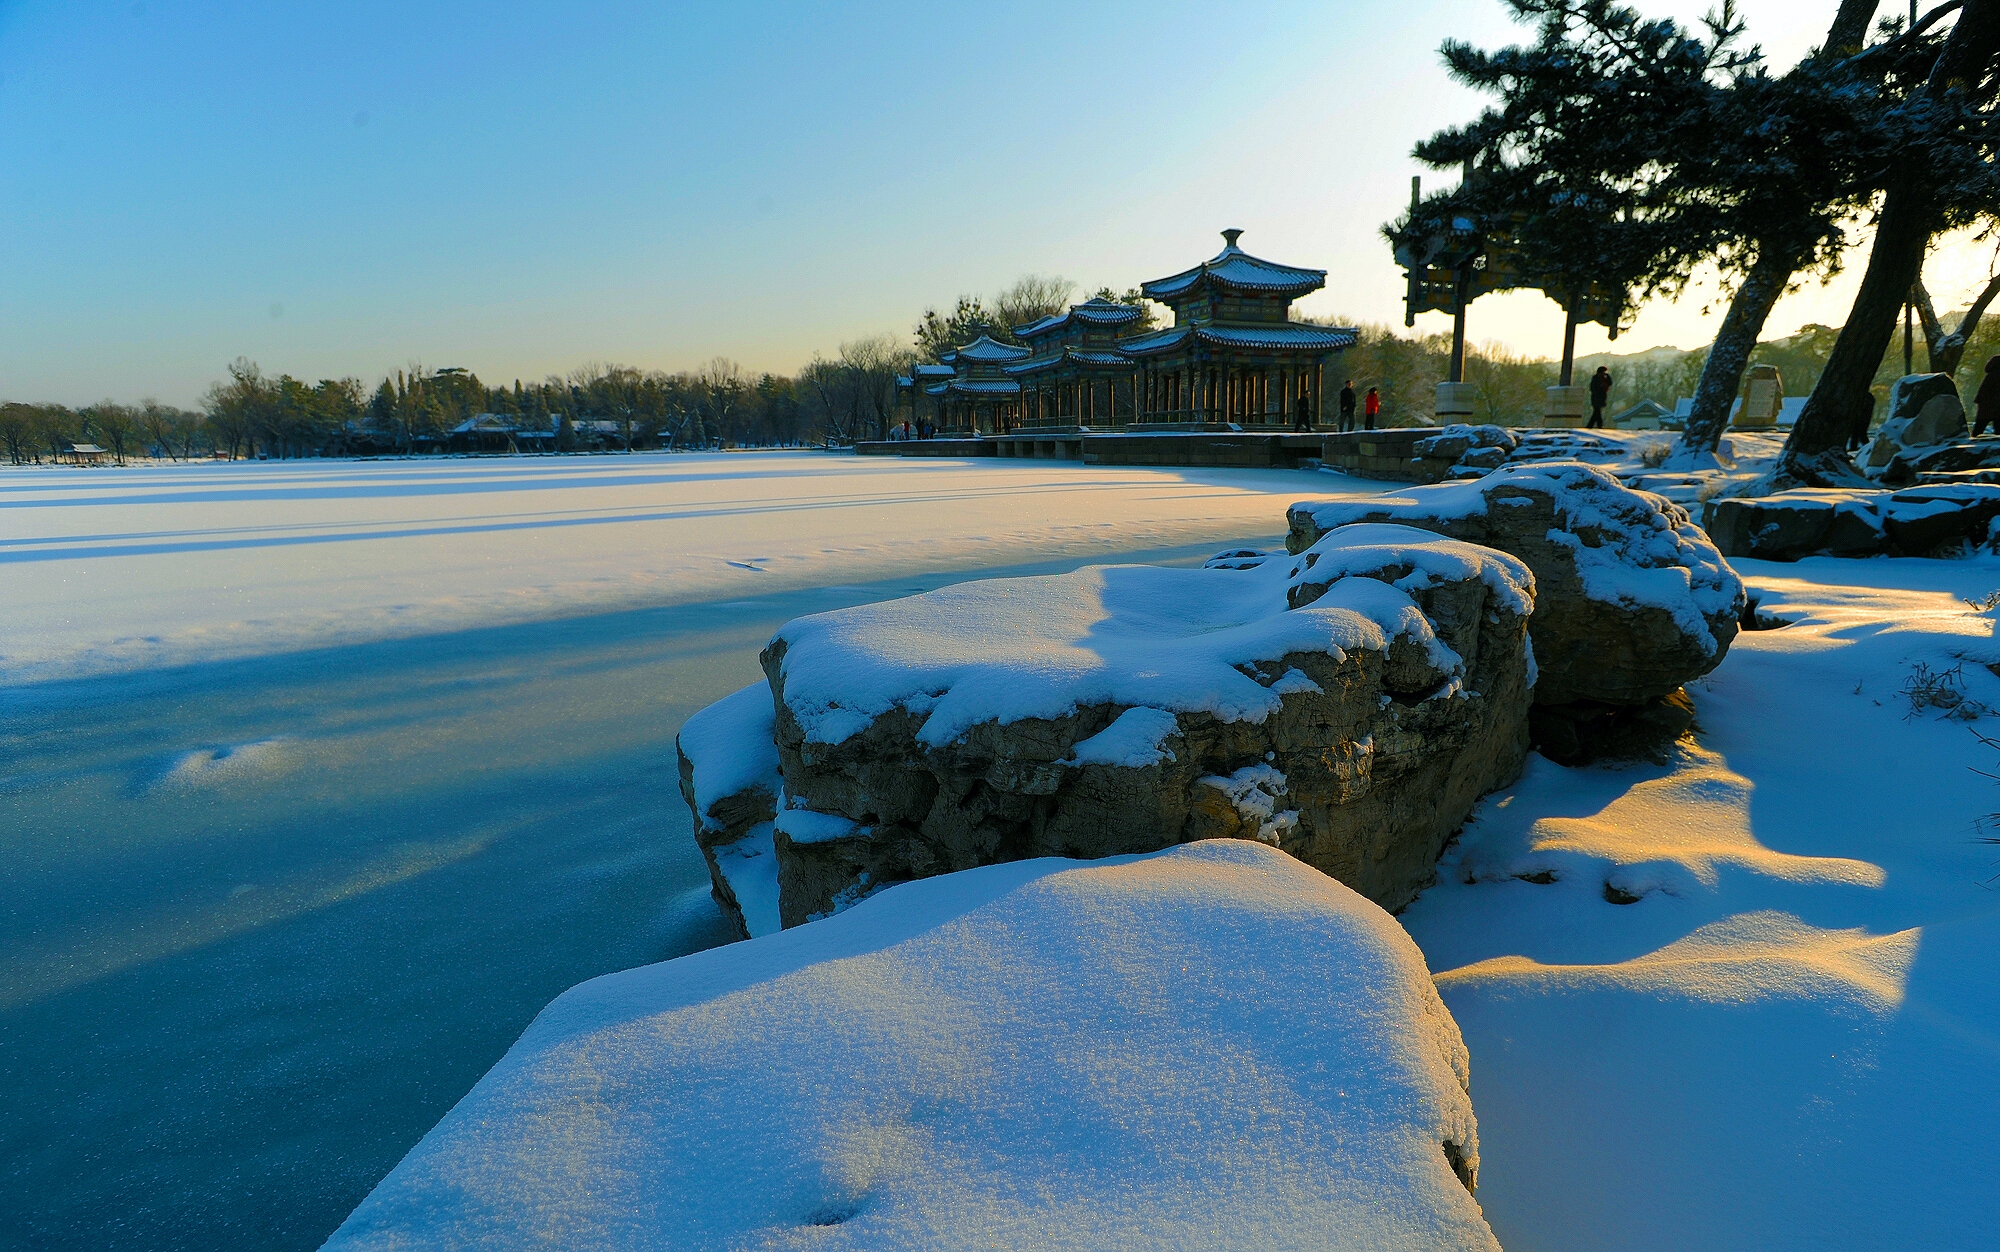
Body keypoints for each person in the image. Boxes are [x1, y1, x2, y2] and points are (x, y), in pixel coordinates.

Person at [1976, 356, 2000, 438]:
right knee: (1998, 430)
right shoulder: (1994, 376)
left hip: (1986, 408)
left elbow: (1982, 392)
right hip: (1996, 407)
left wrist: (1980, 402)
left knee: (1979, 428)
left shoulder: (1990, 376)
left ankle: (1973, 444)